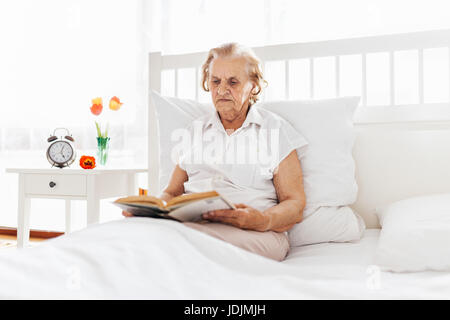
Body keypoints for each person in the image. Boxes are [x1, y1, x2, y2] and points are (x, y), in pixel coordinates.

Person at [124, 43, 308, 262]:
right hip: (193, 227)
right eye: (215, 81)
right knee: (128, 234)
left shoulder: (275, 130)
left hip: (257, 233)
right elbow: (172, 192)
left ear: (254, 85)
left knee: (177, 245)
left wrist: (261, 220)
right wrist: (152, 211)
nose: (221, 90)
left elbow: (294, 203)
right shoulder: (195, 131)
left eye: (233, 82)